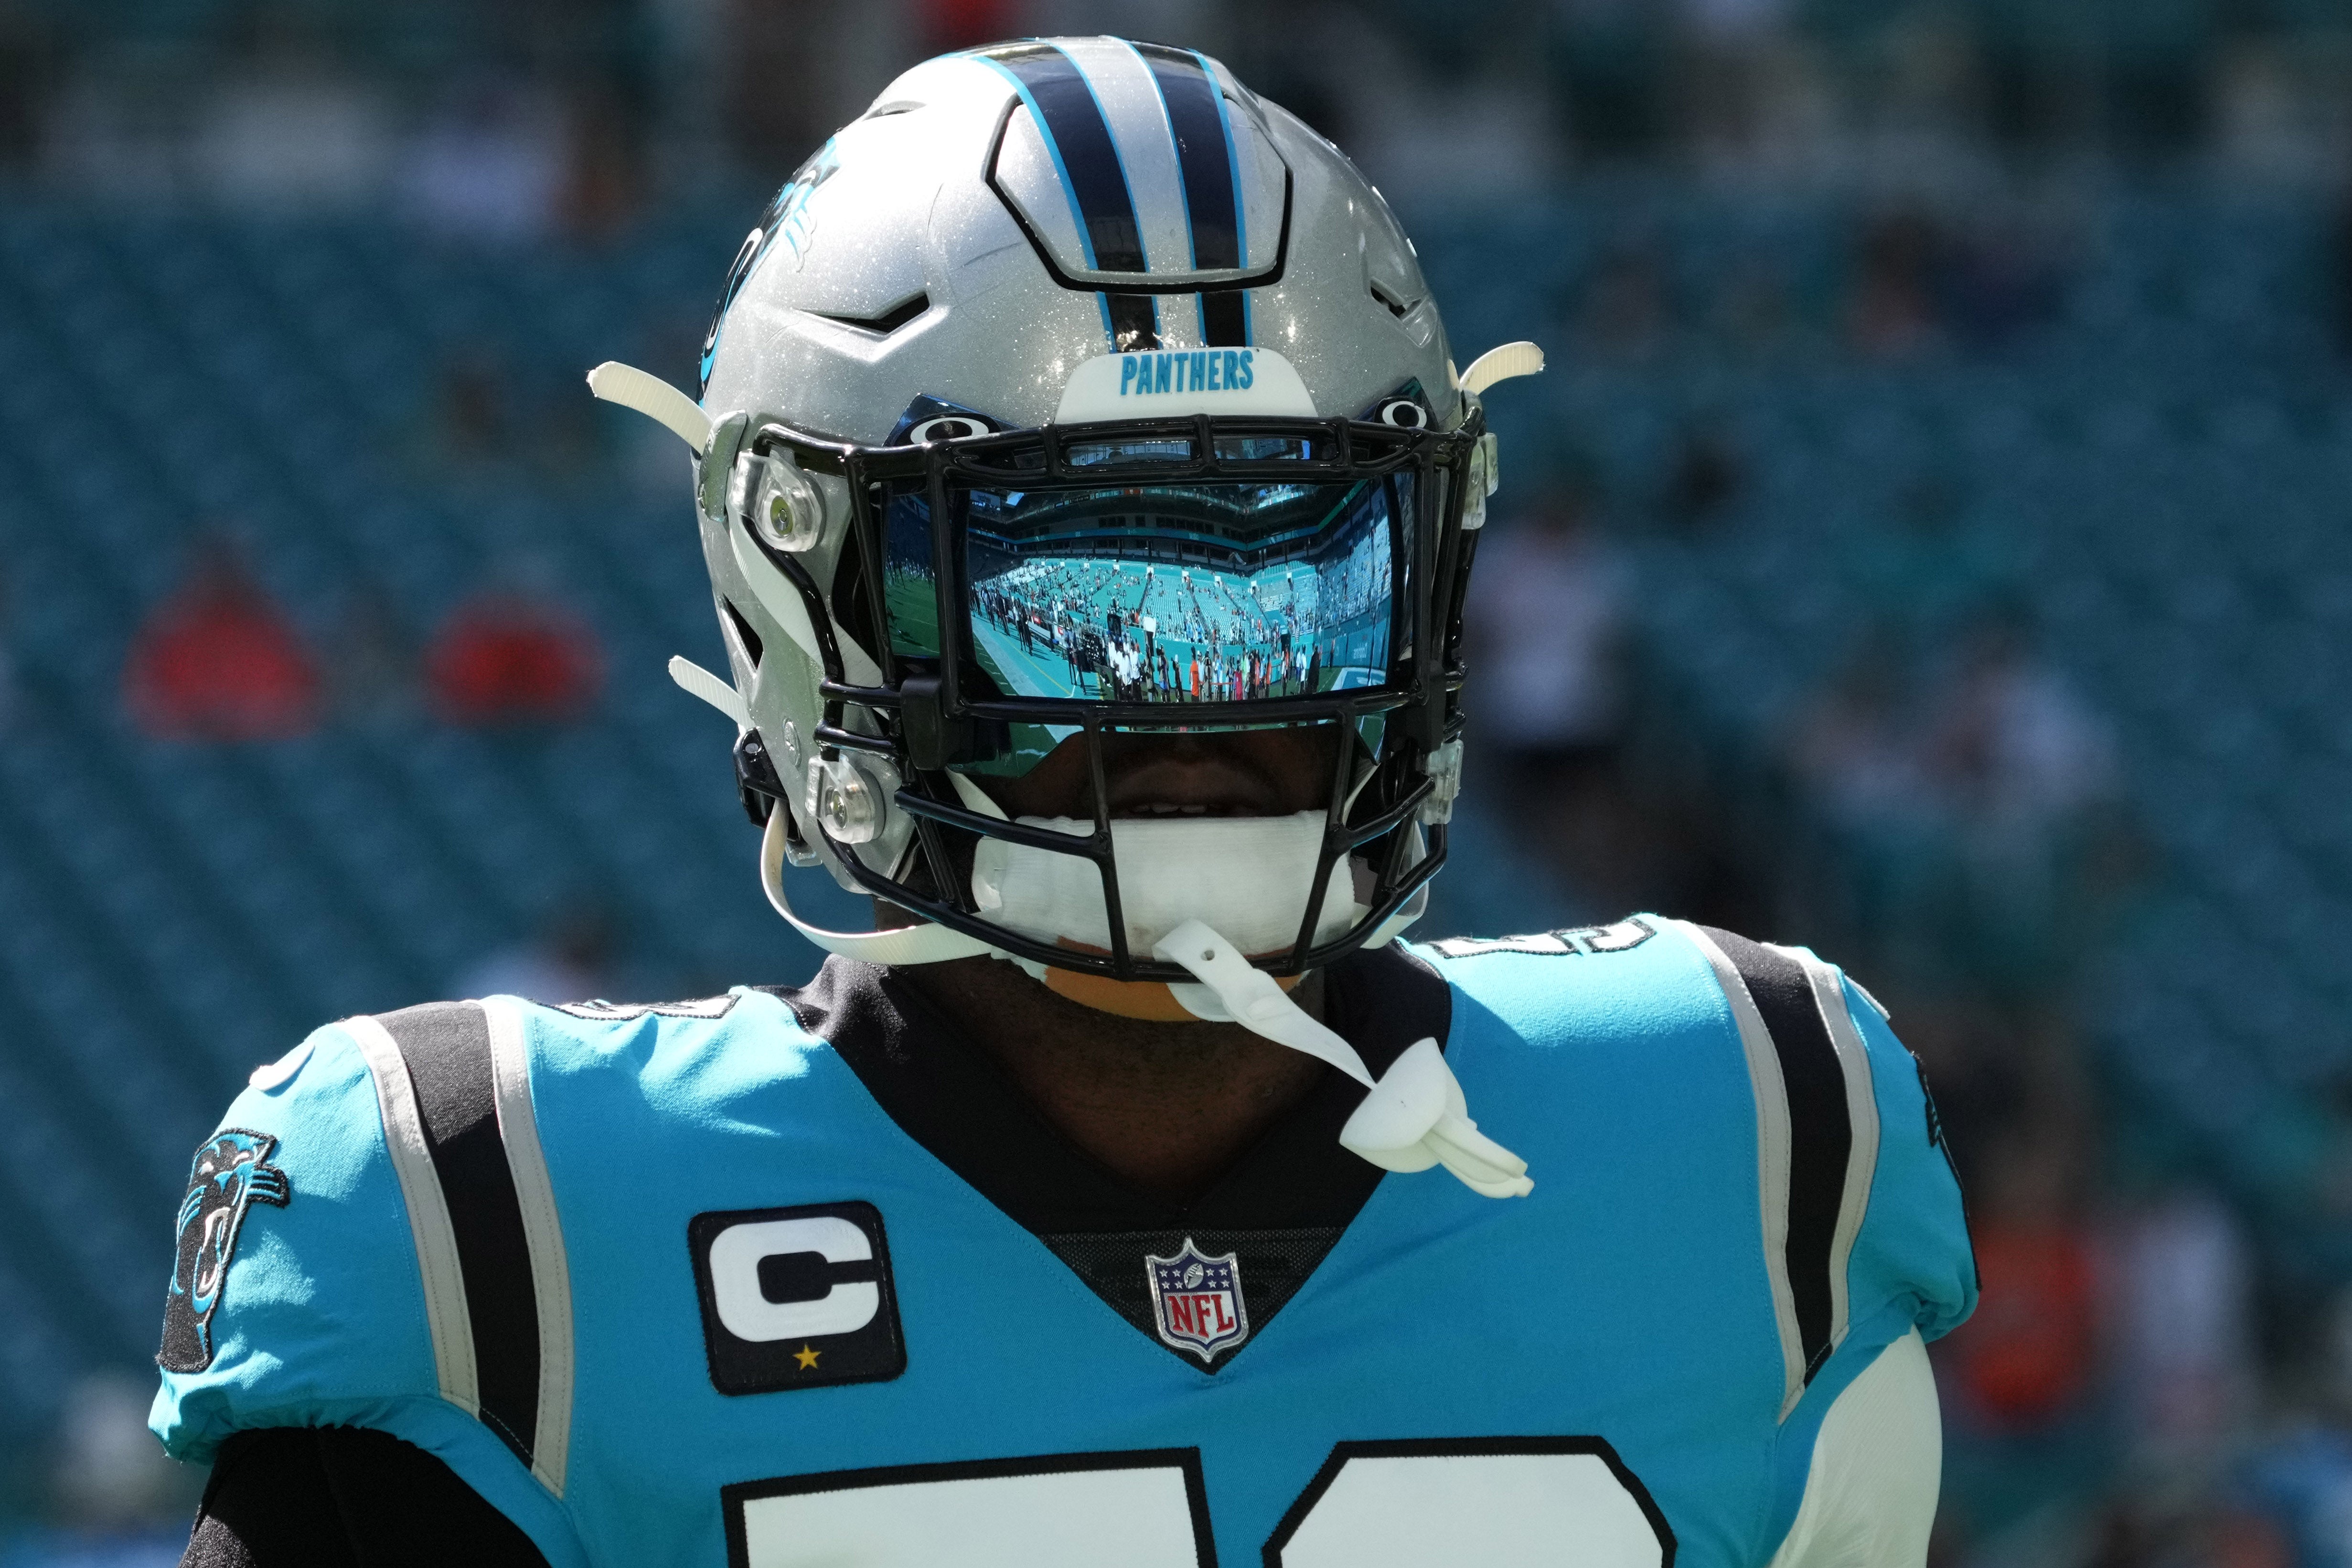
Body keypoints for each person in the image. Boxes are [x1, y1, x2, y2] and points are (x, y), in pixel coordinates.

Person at [152, 38, 1972, 1568]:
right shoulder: (501, 1241)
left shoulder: (1748, 1132)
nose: (1199, 700)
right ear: (815, 593)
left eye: (1297, 575)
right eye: (1080, 595)